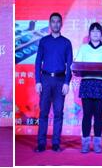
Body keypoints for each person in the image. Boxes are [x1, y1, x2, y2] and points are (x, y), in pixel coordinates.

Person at [74, 22, 102, 154]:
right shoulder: (83, 48)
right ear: (89, 34)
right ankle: (85, 144)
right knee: (87, 115)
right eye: (93, 31)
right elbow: (76, 64)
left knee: (98, 115)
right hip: (87, 83)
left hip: (100, 84)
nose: (95, 33)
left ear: (101, 34)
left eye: (98, 31)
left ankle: (97, 144)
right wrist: (75, 68)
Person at [34, 12, 73, 153]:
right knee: (43, 112)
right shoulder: (44, 41)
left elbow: (70, 65)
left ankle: (56, 143)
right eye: (53, 21)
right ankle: (41, 143)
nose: (55, 24)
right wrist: (38, 81)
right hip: (45, 79)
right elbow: (38, 62)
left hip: (60, 80)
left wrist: (67, 82)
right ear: (50, 24)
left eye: (58, 22)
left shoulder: (66, 42)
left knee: (58, 113)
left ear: (61, 24)